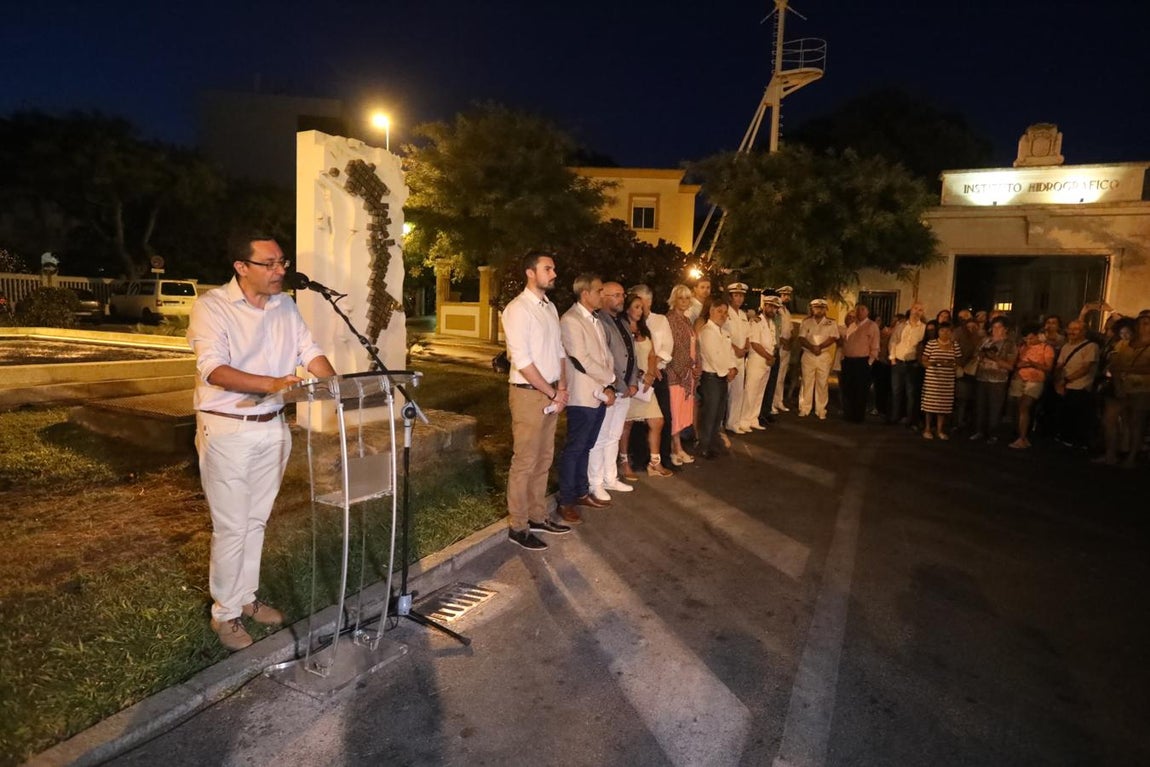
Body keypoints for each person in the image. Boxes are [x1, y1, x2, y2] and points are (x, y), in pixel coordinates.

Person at [189, 231, 337, 651]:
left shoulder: (286, 306)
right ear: (241, 267)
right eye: (269, 264)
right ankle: (225, 614)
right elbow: (213, 368)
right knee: (232, 525)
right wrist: (272, 383)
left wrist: (335, 383)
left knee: (255, 521)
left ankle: (246, 598)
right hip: (228, 428)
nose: (280, 271)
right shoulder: (212, 307)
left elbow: (309, 351)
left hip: (273, 426)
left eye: (282, 263)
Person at [502, 251, 572, 551]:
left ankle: (537, 515)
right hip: (529, 394)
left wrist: (563, 387)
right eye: (548, 268)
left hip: (552, 391)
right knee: (525, 461)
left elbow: (559, 350)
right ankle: (517, 526)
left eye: (553, 268)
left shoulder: (549, 307)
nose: (553, 273)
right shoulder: (517, 310)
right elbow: (523, 360)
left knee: (544, 458)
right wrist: (552, 391)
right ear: (531, 272)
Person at [557, 274, 617, 523]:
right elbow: (581, 359)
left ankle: (581, 491)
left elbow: (605, 355)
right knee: (575, 448)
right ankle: (566, 500)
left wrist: (608, 383)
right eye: (599, 290)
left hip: (598, 393)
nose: (602, 294)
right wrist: (609, 379)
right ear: (585, 294)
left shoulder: (596, 320)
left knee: (587, 446)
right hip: (582, 395)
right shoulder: (571, 320)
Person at [586, 281, 638, 502]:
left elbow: (631, 355)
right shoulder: (599, 322)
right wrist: (620, 385)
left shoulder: (623, 322)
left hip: (625, 389)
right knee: (600, 437)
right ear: (604, 297)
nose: (621, 298)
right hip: (610, 389)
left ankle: (610, 477)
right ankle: (595, 482)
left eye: (622, 294)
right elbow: (605, 358)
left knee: (614, 436)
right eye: (615, 295)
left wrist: (633, 381)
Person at [619, 292, 668, 480]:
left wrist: (651, 373)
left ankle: (655, 462)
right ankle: (624, 462)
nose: (640, 311)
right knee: (626, 424)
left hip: (646, 385)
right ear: (628, 308)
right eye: (637, 307)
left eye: (642, 307)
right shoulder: (622, 329)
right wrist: (639, 374)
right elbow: (622, 357)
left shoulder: (645, 330)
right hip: (630, 383)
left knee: (657, 420)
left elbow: (652, 354)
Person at [630, 284, 677, 474]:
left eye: (640, 300)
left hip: (657, 374)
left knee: (662, 417)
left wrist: (654, 365)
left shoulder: (660, 320)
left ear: (648, 300)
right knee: (636, 419)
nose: (638, 305)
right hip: (638, 376)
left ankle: (662, 458)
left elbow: (668, 345)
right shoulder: (629, 321)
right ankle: (639, 458)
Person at [1097, 310, 1150, 467]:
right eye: (1140, 323)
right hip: (1120, 386)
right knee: (1109, 420)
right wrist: (1119, 383)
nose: (1142, 327)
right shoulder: (1124, 344)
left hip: (1142, 389)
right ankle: (1110, 454)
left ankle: (1131, 457)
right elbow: (1114, 364)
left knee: (1136, 423)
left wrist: (1129, 369)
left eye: (1146, 324)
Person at [697, 296, 738, 458]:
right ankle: (704, 446)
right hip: (712, 377)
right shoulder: (707, 332)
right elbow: (713, 356)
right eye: (719, 311)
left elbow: (729, 354)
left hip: (722, 377)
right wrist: (727, 371)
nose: (723, 315)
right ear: (711, 311)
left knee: (719, 413)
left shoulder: (724, 332)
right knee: (710, 413)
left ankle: (713, 443)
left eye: (725, 312)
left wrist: (733, 367)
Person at [666, 284, 701, 467]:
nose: (685, 302)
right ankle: (675, 449)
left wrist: (697, 367)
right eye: (681, 298)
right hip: (675, 374)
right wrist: (687, 366)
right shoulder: (670, 319)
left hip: (689, 374)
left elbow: (696, 346)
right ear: (674, 299)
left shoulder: (687, 321)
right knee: (675, 412)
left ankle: (677, 447)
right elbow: (674, 349)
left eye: (688, 298)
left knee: (682, 411)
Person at [1052, 319, 1099, 450]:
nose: (1072, 332)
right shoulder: (1066, 347)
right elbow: (1059, 365)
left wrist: (1066, 379)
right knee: (1066, 415)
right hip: (1065, 386)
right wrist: (1058, 381)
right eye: (1070, 329)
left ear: (1084, 331)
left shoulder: (1091, 347)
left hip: (1081, 387)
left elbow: (1086, 368)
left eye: (1076, 329)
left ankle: (1080, 442)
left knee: (1080, 417)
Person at [971, 317, 1017, 443]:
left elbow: (1010, 365)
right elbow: (976, 354)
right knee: (981, 405)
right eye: (994, 327)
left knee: (995, 407)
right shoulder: (985, 340)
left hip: (998, 380)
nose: (996, 330)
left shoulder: (1009, 344)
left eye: (999, 327)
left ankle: (993, 433)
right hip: (982, 377)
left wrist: (995, 358)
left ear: (1005, 329)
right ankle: (979, 431)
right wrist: (981, 355)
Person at [1007, 324, 1054, 449]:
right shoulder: (1023, 347)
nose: (1029, 341)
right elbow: (1014, 363)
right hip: (1019, 378)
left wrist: (1032, 364)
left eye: (1031, 338)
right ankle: (1020, 435)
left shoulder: (1046, 348)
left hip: (1035, 380)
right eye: (1027, 339)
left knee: (1025, 406)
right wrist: (1020, 364)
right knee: (1018, 407)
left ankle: (1022, 437)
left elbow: (1048, 367)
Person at [739, 295, 779, 431]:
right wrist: (769, 356)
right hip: (757, 359)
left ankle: (753, 419)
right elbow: (755, 343)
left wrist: (771, 357)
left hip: (767, 361)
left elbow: (772, 343)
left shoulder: (772, 324)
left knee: (760, 392)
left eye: (774, 308)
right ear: (765, 306)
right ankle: (744, 420)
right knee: (750, 391)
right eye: (769, 306)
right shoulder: (756, 321)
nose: (772, 309)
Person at [797, 298, 840, 420]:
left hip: (823, 355)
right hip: (808, 354)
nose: (819, 310)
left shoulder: (831, 323)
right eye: (816, 307)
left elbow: (833, 338)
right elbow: (801, 338)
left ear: (825, 309)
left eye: (821, 308)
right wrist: (812, 347)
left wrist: (820, 347)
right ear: (812, 308)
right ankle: (804, 408)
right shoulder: (806, 322)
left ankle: (821, 409)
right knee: (807, 382)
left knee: (822, 383)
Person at [839, 303, 879, 422]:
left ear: (867, 312)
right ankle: (849, 414)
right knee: (848, 388)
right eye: (858, 309)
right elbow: (846, 342)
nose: (859, 312)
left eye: (862, 309)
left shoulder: (872, 326)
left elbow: (875, 345)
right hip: (848, 361)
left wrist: (869, 363)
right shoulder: (852, 325)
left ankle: (858, 416)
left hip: (862, 361)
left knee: (860, 390)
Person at [888, 303, 927, 427]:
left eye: (920, 310)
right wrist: (892, 358)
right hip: (898, 362)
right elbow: (893, 341)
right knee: (896, 391)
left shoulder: (923, 328)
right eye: (915, 308)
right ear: (911, 310)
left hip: (913, 364)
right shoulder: (901, 325)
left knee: (911, 394)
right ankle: (895, 417)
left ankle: (910, 420)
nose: (917, 311)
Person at [920, 321, 958, 439]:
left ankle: (940, 429)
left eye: (947, 331)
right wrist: (934, 362)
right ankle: (927, 428)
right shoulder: (931, 344)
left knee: (943, 405)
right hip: (933, 378)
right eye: (942, 330)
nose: (945, 333)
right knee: (930, 404)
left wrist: (951, 364)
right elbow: (924, 361)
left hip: (947, 379)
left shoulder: (954, 345)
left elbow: (958, 361)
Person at [723, 283, 752, 434]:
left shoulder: (742, 314)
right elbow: (724, 335)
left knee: (738, 391)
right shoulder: (725, 312)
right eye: (736, 295)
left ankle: (733, 423)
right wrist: (736, 349)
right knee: (725, 391)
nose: (739, 298)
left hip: (741, 357)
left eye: (741, 295)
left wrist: (745, 349)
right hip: (728, 356)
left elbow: (747, 335)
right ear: (730, 297)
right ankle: (721, 425)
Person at [767, 285, 795, 416]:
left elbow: (789, 330)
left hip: (786, 347)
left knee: (782, 376)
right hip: (779, 346)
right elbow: (776, 330)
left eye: (788, 295)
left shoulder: (786, 311)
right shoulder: (776, 311)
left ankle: (779, 401)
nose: (787, 297)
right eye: (784, 295)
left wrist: (790, 342)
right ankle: (771, 403)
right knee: (775, 377)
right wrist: (784, 342)